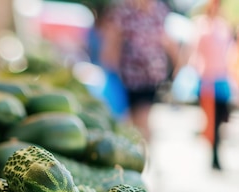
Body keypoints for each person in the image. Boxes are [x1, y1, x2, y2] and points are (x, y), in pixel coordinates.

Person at [100, 0, 180, 141]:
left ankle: (143, 155)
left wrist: (177, 66)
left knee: (142, 120)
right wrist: (109, 71)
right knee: (128, 122)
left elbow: (168, 41)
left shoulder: (159, 11)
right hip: (127, 78)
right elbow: (112, 43)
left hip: (149, 79)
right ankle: (138, 151)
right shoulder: (125, 12)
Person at [189, 0, 237, 170]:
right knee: (211, 119)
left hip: (222, 79)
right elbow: (195, 52)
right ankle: (214, 154)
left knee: (222, 118)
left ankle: (215, 150)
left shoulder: (224, 27)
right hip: (208, 79)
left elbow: (229, 52)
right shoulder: (201, 25)